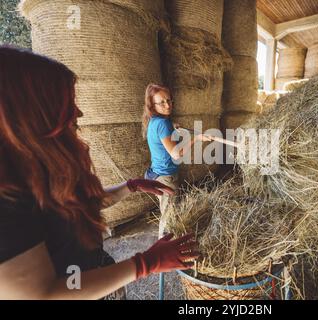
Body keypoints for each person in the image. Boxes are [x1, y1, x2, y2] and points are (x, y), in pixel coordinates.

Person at [0, 46, 199, 300]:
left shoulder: (40, 164)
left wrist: (130, 186)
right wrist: (144, 264)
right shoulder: (7, 196)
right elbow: (44, 294)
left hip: (98, 278)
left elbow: (78, 206)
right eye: (63, 104)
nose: (78, 112)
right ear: (28, 113)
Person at [142, 84, 211, 236]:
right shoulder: (162, 124)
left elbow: (163, 133)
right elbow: (176, 154)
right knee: (168, 218)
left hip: (158, 173)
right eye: (161, 102)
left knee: (169, 212)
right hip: (165, 177)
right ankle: (164, 248)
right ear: (152, 105)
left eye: (169, 100)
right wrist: (196, 138)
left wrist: (173, 126)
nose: (167, 105)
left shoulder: (154, 121)